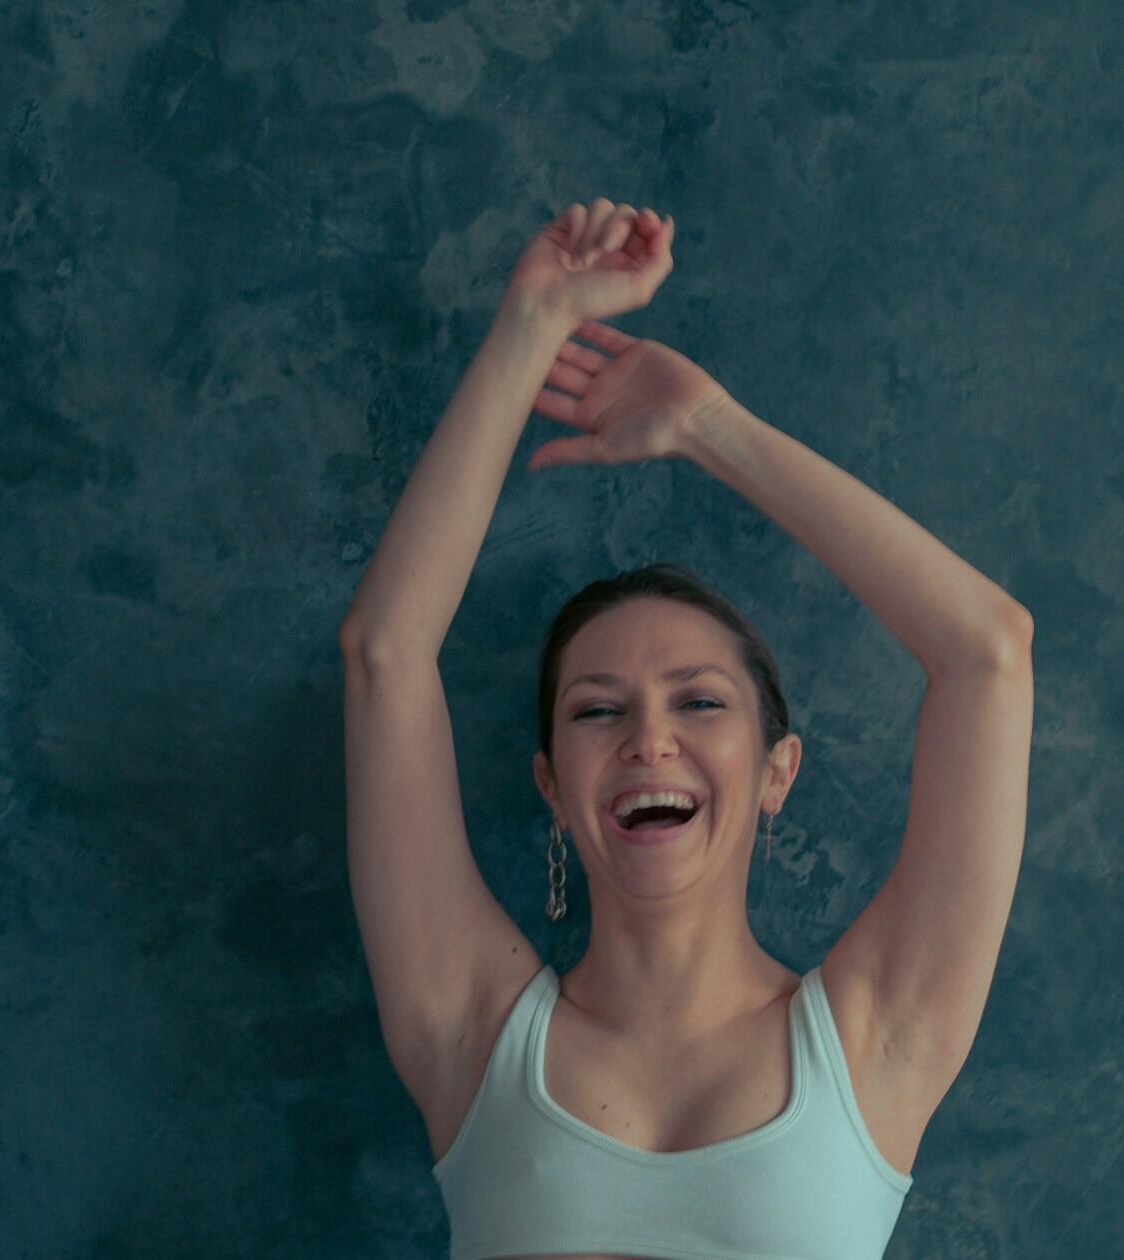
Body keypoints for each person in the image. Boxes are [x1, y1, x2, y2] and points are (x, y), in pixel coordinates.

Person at [340, 197, 1035, 1259]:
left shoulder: (874, 1041)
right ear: (550, 784)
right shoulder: (471, 1032)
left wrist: (712, 430)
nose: (648, 740)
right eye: (598, 710)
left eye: (701, 702)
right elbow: (385, 656)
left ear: (776, 772)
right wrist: (533, 325)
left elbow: (987, 653)